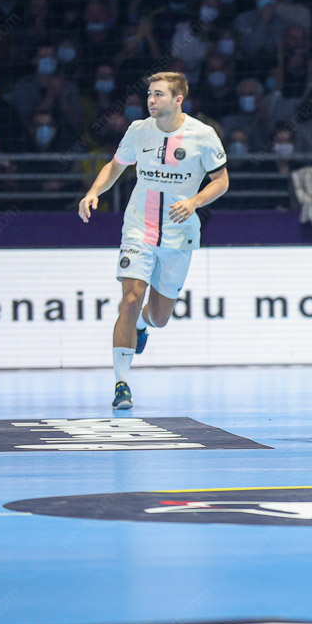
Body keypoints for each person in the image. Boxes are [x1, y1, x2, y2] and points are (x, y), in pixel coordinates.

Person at [78, 72, 230, 409]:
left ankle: (142, 326)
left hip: (179, 234)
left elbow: (221, 181)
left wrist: (194, 202)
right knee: (130, 299)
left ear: (178, 99)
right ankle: (122, 384)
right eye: (149, 94)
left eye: (159, 94)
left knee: (159, 317)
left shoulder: (203, 136)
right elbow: (115, 166)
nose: (151, 100)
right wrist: (93, 192)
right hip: (139, 228)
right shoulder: (138, 130)